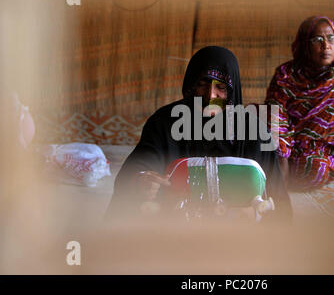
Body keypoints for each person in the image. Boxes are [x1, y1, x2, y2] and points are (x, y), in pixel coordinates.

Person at [106, 46, 292, 223]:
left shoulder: (254, 130)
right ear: (190, 85)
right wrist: (142, 180)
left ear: (232, 91)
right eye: (202, 84)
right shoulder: (164, 121)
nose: (210, 95)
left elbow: (276, 197)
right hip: (173, 223)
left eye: (220, 87)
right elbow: (138, 167)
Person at [265, 16, 334, 188]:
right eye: (317, 39)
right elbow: (275, 115)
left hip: (326, 147)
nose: (326, 45)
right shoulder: (286, 74)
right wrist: (282, 157)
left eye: (331, 38)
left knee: (315, 170)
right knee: (252, 127)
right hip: (287, 141)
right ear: (304, 44)